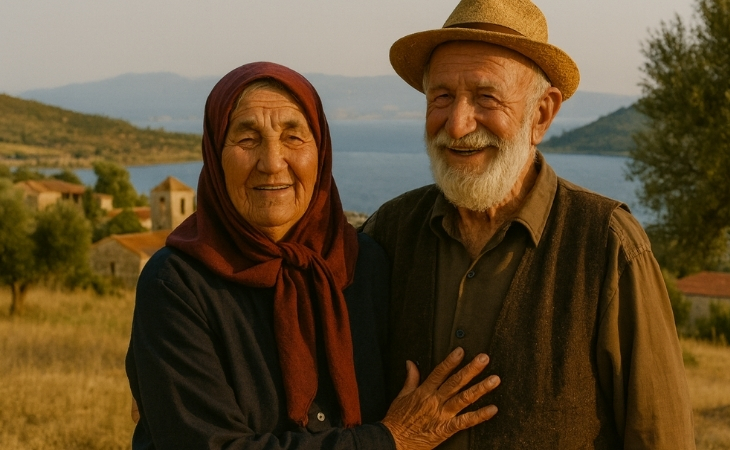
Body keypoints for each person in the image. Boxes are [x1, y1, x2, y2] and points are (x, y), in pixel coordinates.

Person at [361, 0, 696, 448]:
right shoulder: (389, 233)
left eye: (486, 97)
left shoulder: (607, 246)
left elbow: (661, 436)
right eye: (441, 96)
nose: (458, 125)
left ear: (541, 114)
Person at [125, 62, 500, 450]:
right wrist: (390, 440)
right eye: (247, 139)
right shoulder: (176, 284)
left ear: (320, 153)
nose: (272, 163)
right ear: (215, 155)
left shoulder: (363, 264)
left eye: (293, 137)